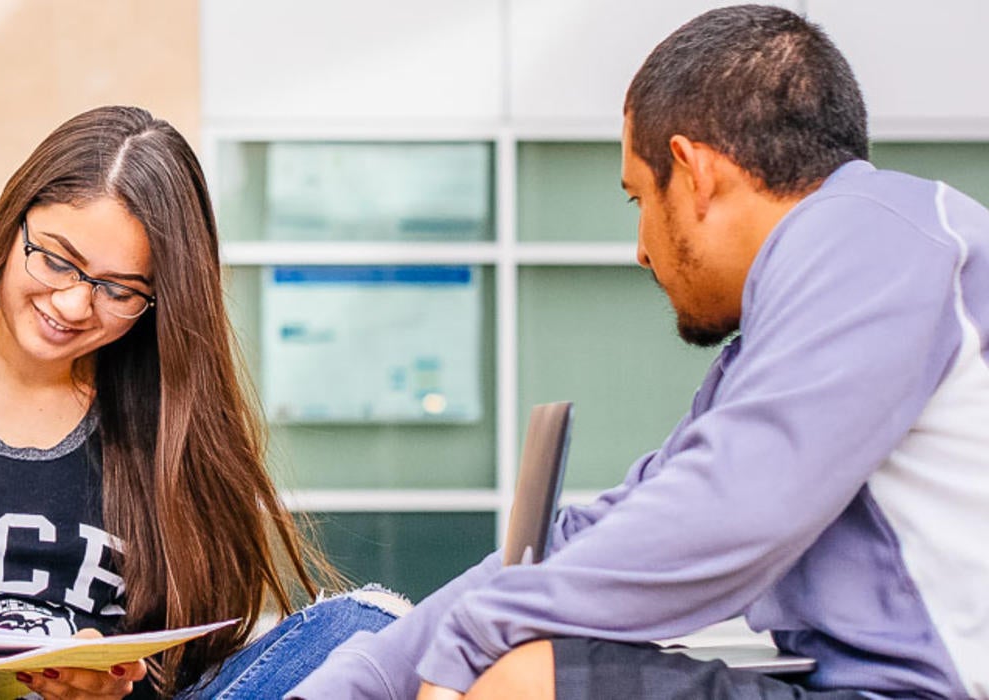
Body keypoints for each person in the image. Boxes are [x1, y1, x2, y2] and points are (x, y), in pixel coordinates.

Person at [290, 6, 989, 699]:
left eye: (637, 199)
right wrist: (364, 683)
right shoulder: (809, 311)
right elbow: (612, 529)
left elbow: (733, 516)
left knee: (526, 680)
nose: (641, 250)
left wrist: (476, 638)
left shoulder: (874, 242)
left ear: (693, 173)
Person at [0, 106, 403, 700]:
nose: (73, 305)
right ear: (12, 224)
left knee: (369, 626)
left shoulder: (171, 426)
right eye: (58, 260)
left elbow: (199, 664)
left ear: (160, 303)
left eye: (121, 290)